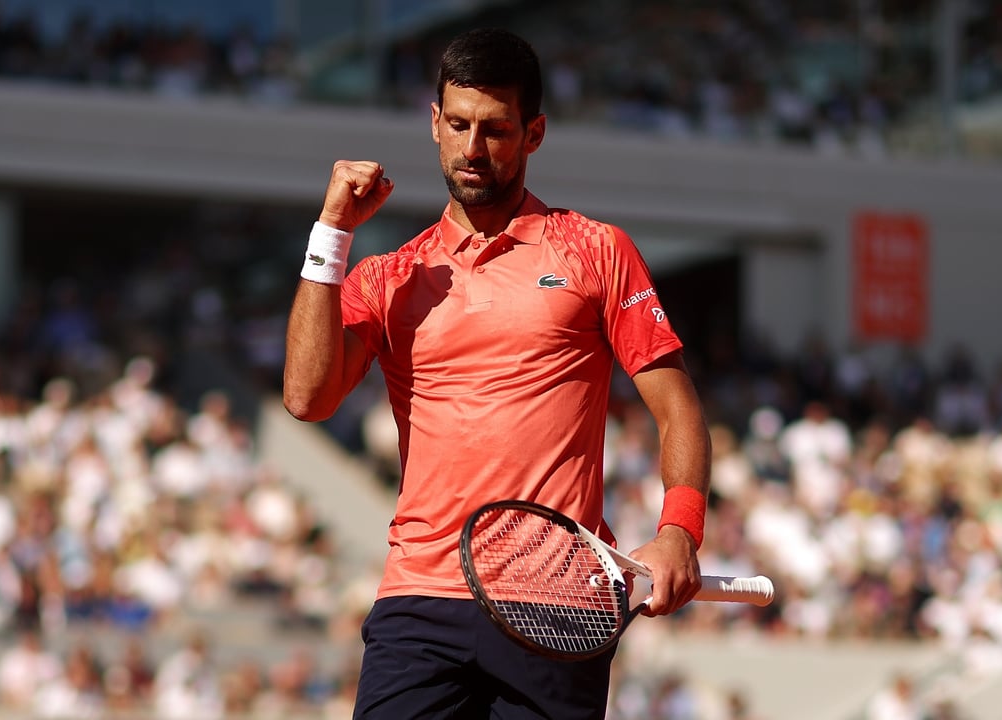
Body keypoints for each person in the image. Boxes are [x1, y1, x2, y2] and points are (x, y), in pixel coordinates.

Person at [281, 27, 712, 719]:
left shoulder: (598, 250)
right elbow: (306, 397)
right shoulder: (388, 275)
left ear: (533, 133)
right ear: (434, 123)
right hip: (420, 598)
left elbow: (678, 407)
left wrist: (679, 532)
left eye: (496, 129)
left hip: (558, 604)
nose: (473, 148)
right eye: (458, 125)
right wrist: (332, 231)